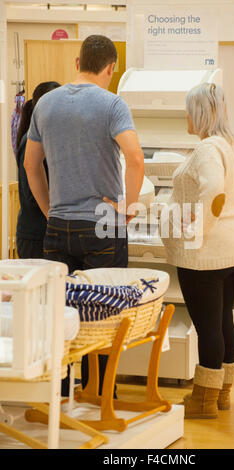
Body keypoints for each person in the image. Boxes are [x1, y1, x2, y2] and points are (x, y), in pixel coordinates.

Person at [24, 35, 144, 397]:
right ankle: (100, 393)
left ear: (77, 63)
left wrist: (50, 212)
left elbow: (32, 165)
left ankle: (62, 394)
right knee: (105, 314)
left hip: (59, 226)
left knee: (59, 315)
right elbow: (136, 159)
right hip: (102, 226)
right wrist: (127, 209)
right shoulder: (112, 104)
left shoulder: (45, 104)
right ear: (110, 68)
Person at [160, 83, 234, 419]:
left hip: (206, 256)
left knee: (207, 327)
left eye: (189, 110)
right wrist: (231, 205)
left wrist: (196, 228)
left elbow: (213, 188)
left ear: (200, 114)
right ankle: (221, 394)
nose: (186, 116)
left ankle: (203, 400)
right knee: (223, 322)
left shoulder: (206, 150)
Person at [16, 81, 61, 259]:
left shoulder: (49, 138)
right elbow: (31, 195)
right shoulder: (31, 142)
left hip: (45, 232)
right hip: (35, 235)